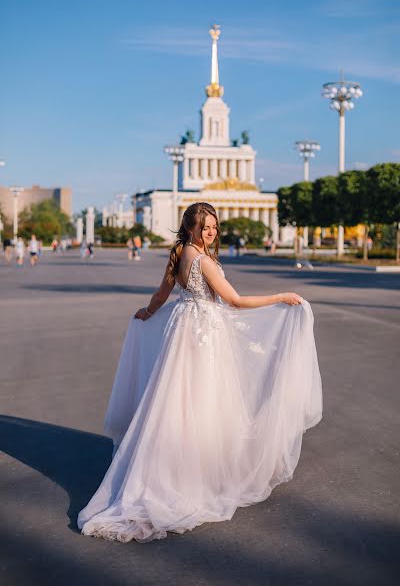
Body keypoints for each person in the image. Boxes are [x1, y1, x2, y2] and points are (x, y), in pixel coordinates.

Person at [78, 202, 322, 544]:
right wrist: (281, 296)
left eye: (214, 227)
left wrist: (147, 312)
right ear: (191, 227)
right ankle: (196, 474)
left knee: (178, 399)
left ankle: (174, 464)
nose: (212, 232)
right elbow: (234, 301)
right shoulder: (203, 261)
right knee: (204, 400)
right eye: (206, 226)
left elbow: (163, 294)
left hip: (183, 331)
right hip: (204, 335)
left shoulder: (179, 254)